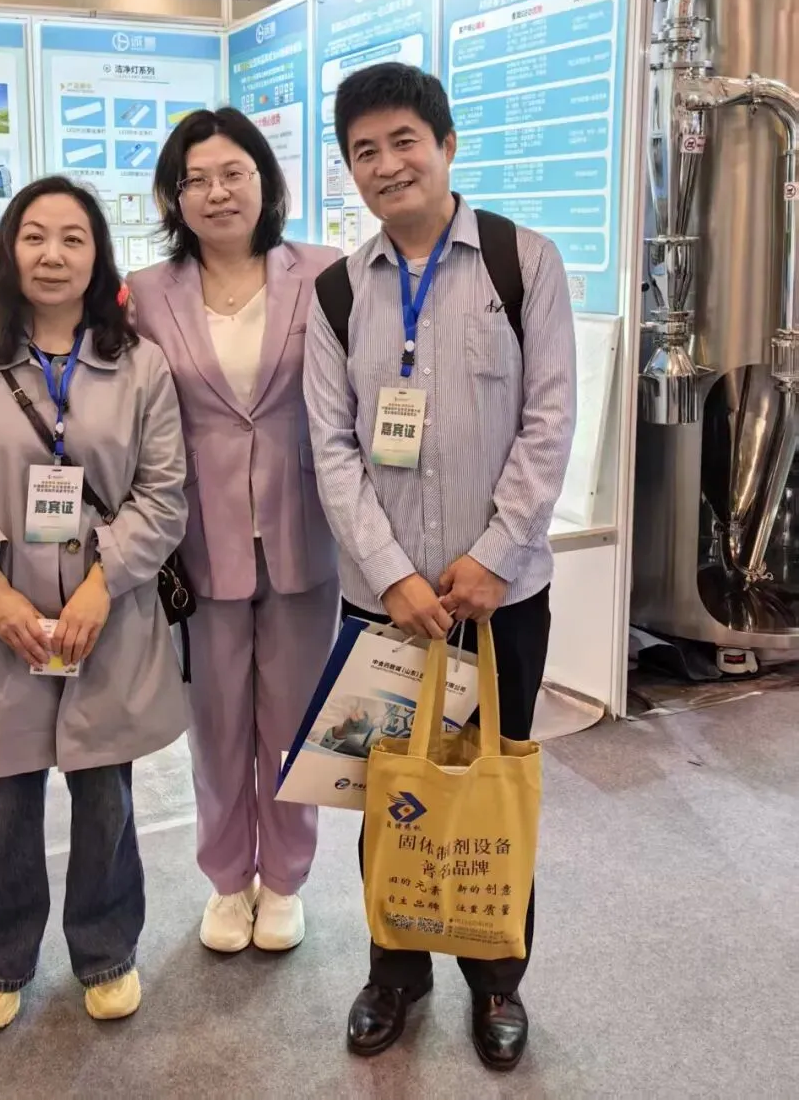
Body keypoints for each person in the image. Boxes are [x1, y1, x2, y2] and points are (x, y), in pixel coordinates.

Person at [303, 62, 575, 1071]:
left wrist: (494, 558)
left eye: (403, 141)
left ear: (447, 144)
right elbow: (332, 448)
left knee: (493, 783)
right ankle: (394, 969)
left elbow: (550, 420)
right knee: (388, 791)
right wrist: (393, 575)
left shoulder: (522, 261)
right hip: (385, 606)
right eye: (364, 151)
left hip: (502, 599)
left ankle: (497, 975)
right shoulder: (338, 291)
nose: (387, 164)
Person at [0, 176, 188, 1034]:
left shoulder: (140, 365)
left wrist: (104, 587)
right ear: (10, 250)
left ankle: (106, 948)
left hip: (107, 617)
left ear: (98, 255)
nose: (53, 254)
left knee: (106, 794)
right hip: (2, 621)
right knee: (3, 799)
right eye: (35, 236)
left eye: (73, 237)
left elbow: (163, 495)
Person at [129, 107, 341, 955]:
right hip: (195, 540)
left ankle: (284, 878)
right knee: (215, 725)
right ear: (174, 197)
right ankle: (225, 878)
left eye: (234, 173)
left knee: (295, 719)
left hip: (304, 530)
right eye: (197, 179)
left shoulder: (323, 272)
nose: (217, 192)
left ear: (264, 181)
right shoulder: (147, 291)